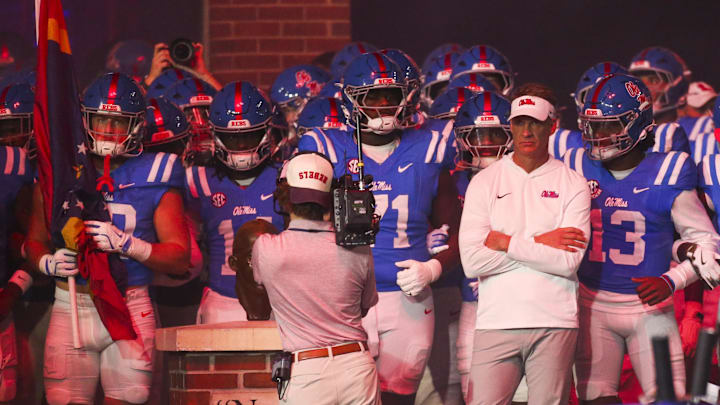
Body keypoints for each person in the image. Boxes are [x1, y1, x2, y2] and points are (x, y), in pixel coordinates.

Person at [298, 52, 462, 405]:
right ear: (352, 99)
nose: (383, 106)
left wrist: (433, 267)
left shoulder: (430, 145)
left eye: (392, 96)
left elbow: (458, 230)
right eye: (372, 97)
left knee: (398, 398)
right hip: (343, 297)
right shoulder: (325, 147)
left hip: (410, 296)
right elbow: (300, 228)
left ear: (410, 96)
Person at [25, 72, 191, 405]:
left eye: (118, 122)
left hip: (129, 305)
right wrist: (47, 262)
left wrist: (131, 246)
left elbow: (180, 257)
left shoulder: (156, 172)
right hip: (72, 305)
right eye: (100, 120)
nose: (107, 131)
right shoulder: (59, 171)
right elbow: (33, 242)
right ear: (85, 119)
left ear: (137, 126)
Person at [564, 73, 720, 403]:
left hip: (650, 309)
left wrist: (672, 279)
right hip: (591, 304)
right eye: (594, 125)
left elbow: (708, 245)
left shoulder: (668, 169)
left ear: (639, 123)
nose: (598, 135)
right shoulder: (575, 164)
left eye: (610, 125)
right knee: (594, 397)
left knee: (667, 397)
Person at [459, 82, 591, 405]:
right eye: (519, 121)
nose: (526, 130)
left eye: (535, 122)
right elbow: (472, 263)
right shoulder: (484, 182)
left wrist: (506, 242)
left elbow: (567, 263)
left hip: (554, 321)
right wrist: (541, 241)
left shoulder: (573, 184)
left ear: (552, 125)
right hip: (496, 320)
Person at [252, 152, 380, 404]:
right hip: (356, 365)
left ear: (285, 196)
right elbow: (364, 307)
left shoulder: (265, 248)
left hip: (306, 370)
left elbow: (258, 289)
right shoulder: (358, 247)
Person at [186, 80, 285, 325]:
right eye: (232, 139)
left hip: (281, 299)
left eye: (249, 136)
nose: (241, 146)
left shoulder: (286, 176)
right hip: (221, 298)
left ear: (267, 132)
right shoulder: (196, 180)